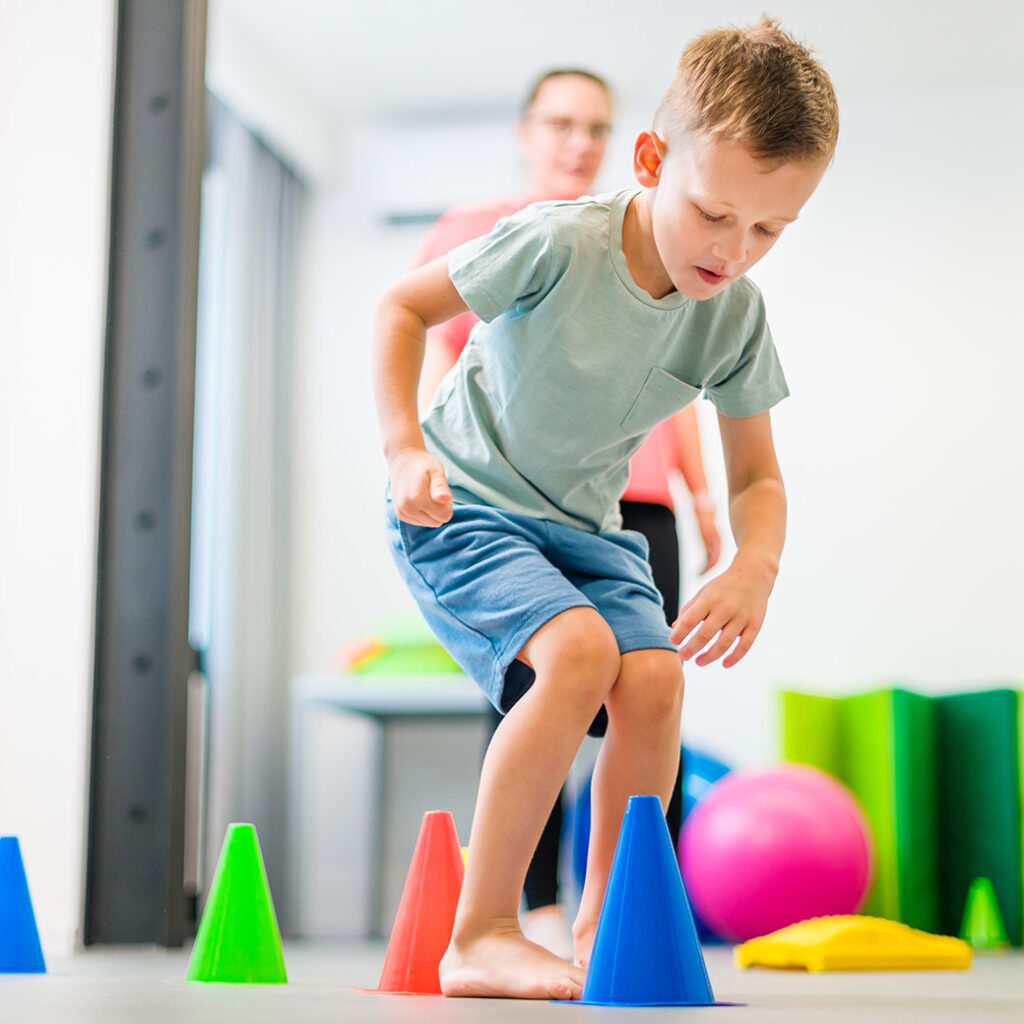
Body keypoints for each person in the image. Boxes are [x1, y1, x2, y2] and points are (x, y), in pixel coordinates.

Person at [373, 16, 838, 1000]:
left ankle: (601, 923)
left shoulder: (734, 314)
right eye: (715, 212)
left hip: (588, 528)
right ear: (650, 157)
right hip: (466, 505)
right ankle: (484, 927)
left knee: (657, 681)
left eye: (768, 229)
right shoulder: (555, 241)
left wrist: (752, 564)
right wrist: (403, 448)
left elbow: (758, 475)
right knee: (579, 656)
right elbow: (401, 309)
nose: (735, 249)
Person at [412, 67, 721, 960]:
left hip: (635, 501)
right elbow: (440, 346)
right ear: (527, 131)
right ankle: (524, 908)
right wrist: (423, 461)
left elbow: (687, 383)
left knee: (651, 689)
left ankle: (628, 908)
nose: (577, 142)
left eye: (594, 126)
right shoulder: (482, 230)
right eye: (560, 123)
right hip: (508, 495)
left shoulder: (662, 240)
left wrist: (704, 500)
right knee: (533, 694)